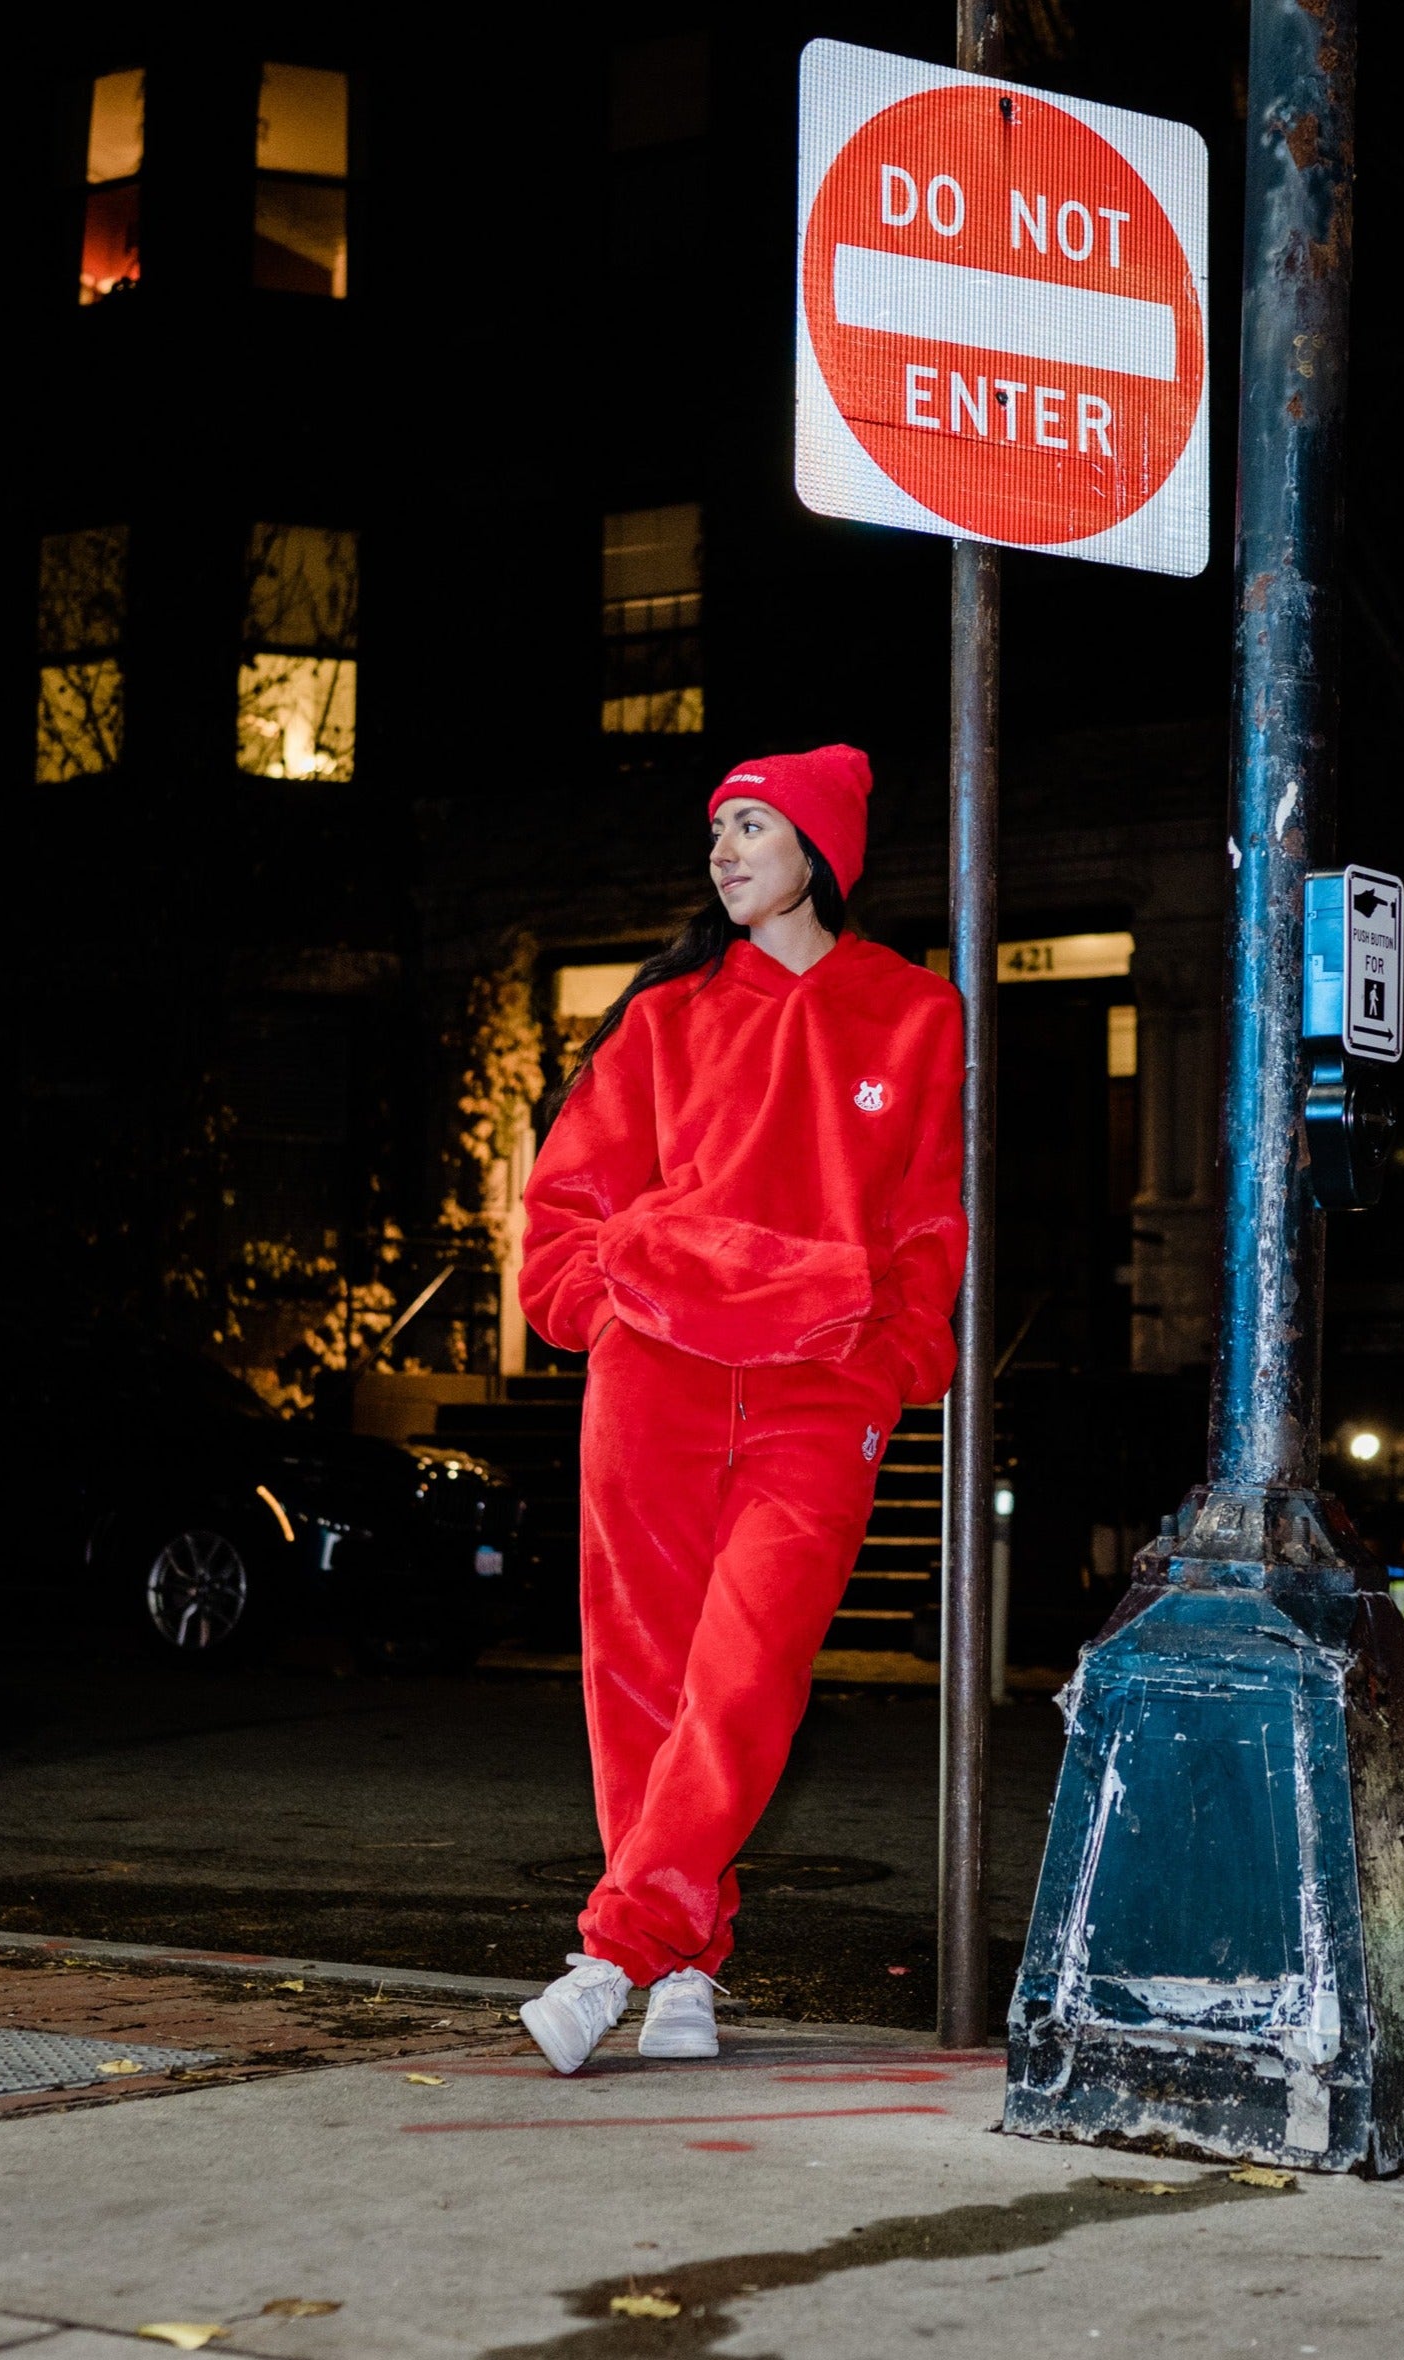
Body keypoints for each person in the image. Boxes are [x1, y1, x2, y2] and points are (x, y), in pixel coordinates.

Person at [515, 743, 965, 2071]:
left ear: (821, 851)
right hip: (658, 1370)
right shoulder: (668, 1016)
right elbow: (564, 1207)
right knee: (640, 1684)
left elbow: (931, 1222)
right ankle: (687, 1967)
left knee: (749, 1673)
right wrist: (604, 1304)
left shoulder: (914, 1014)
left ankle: (613, 1949)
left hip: (820, 1388)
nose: (725, 853)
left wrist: (888, 1363)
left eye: (754, 828)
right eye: (718, 831)